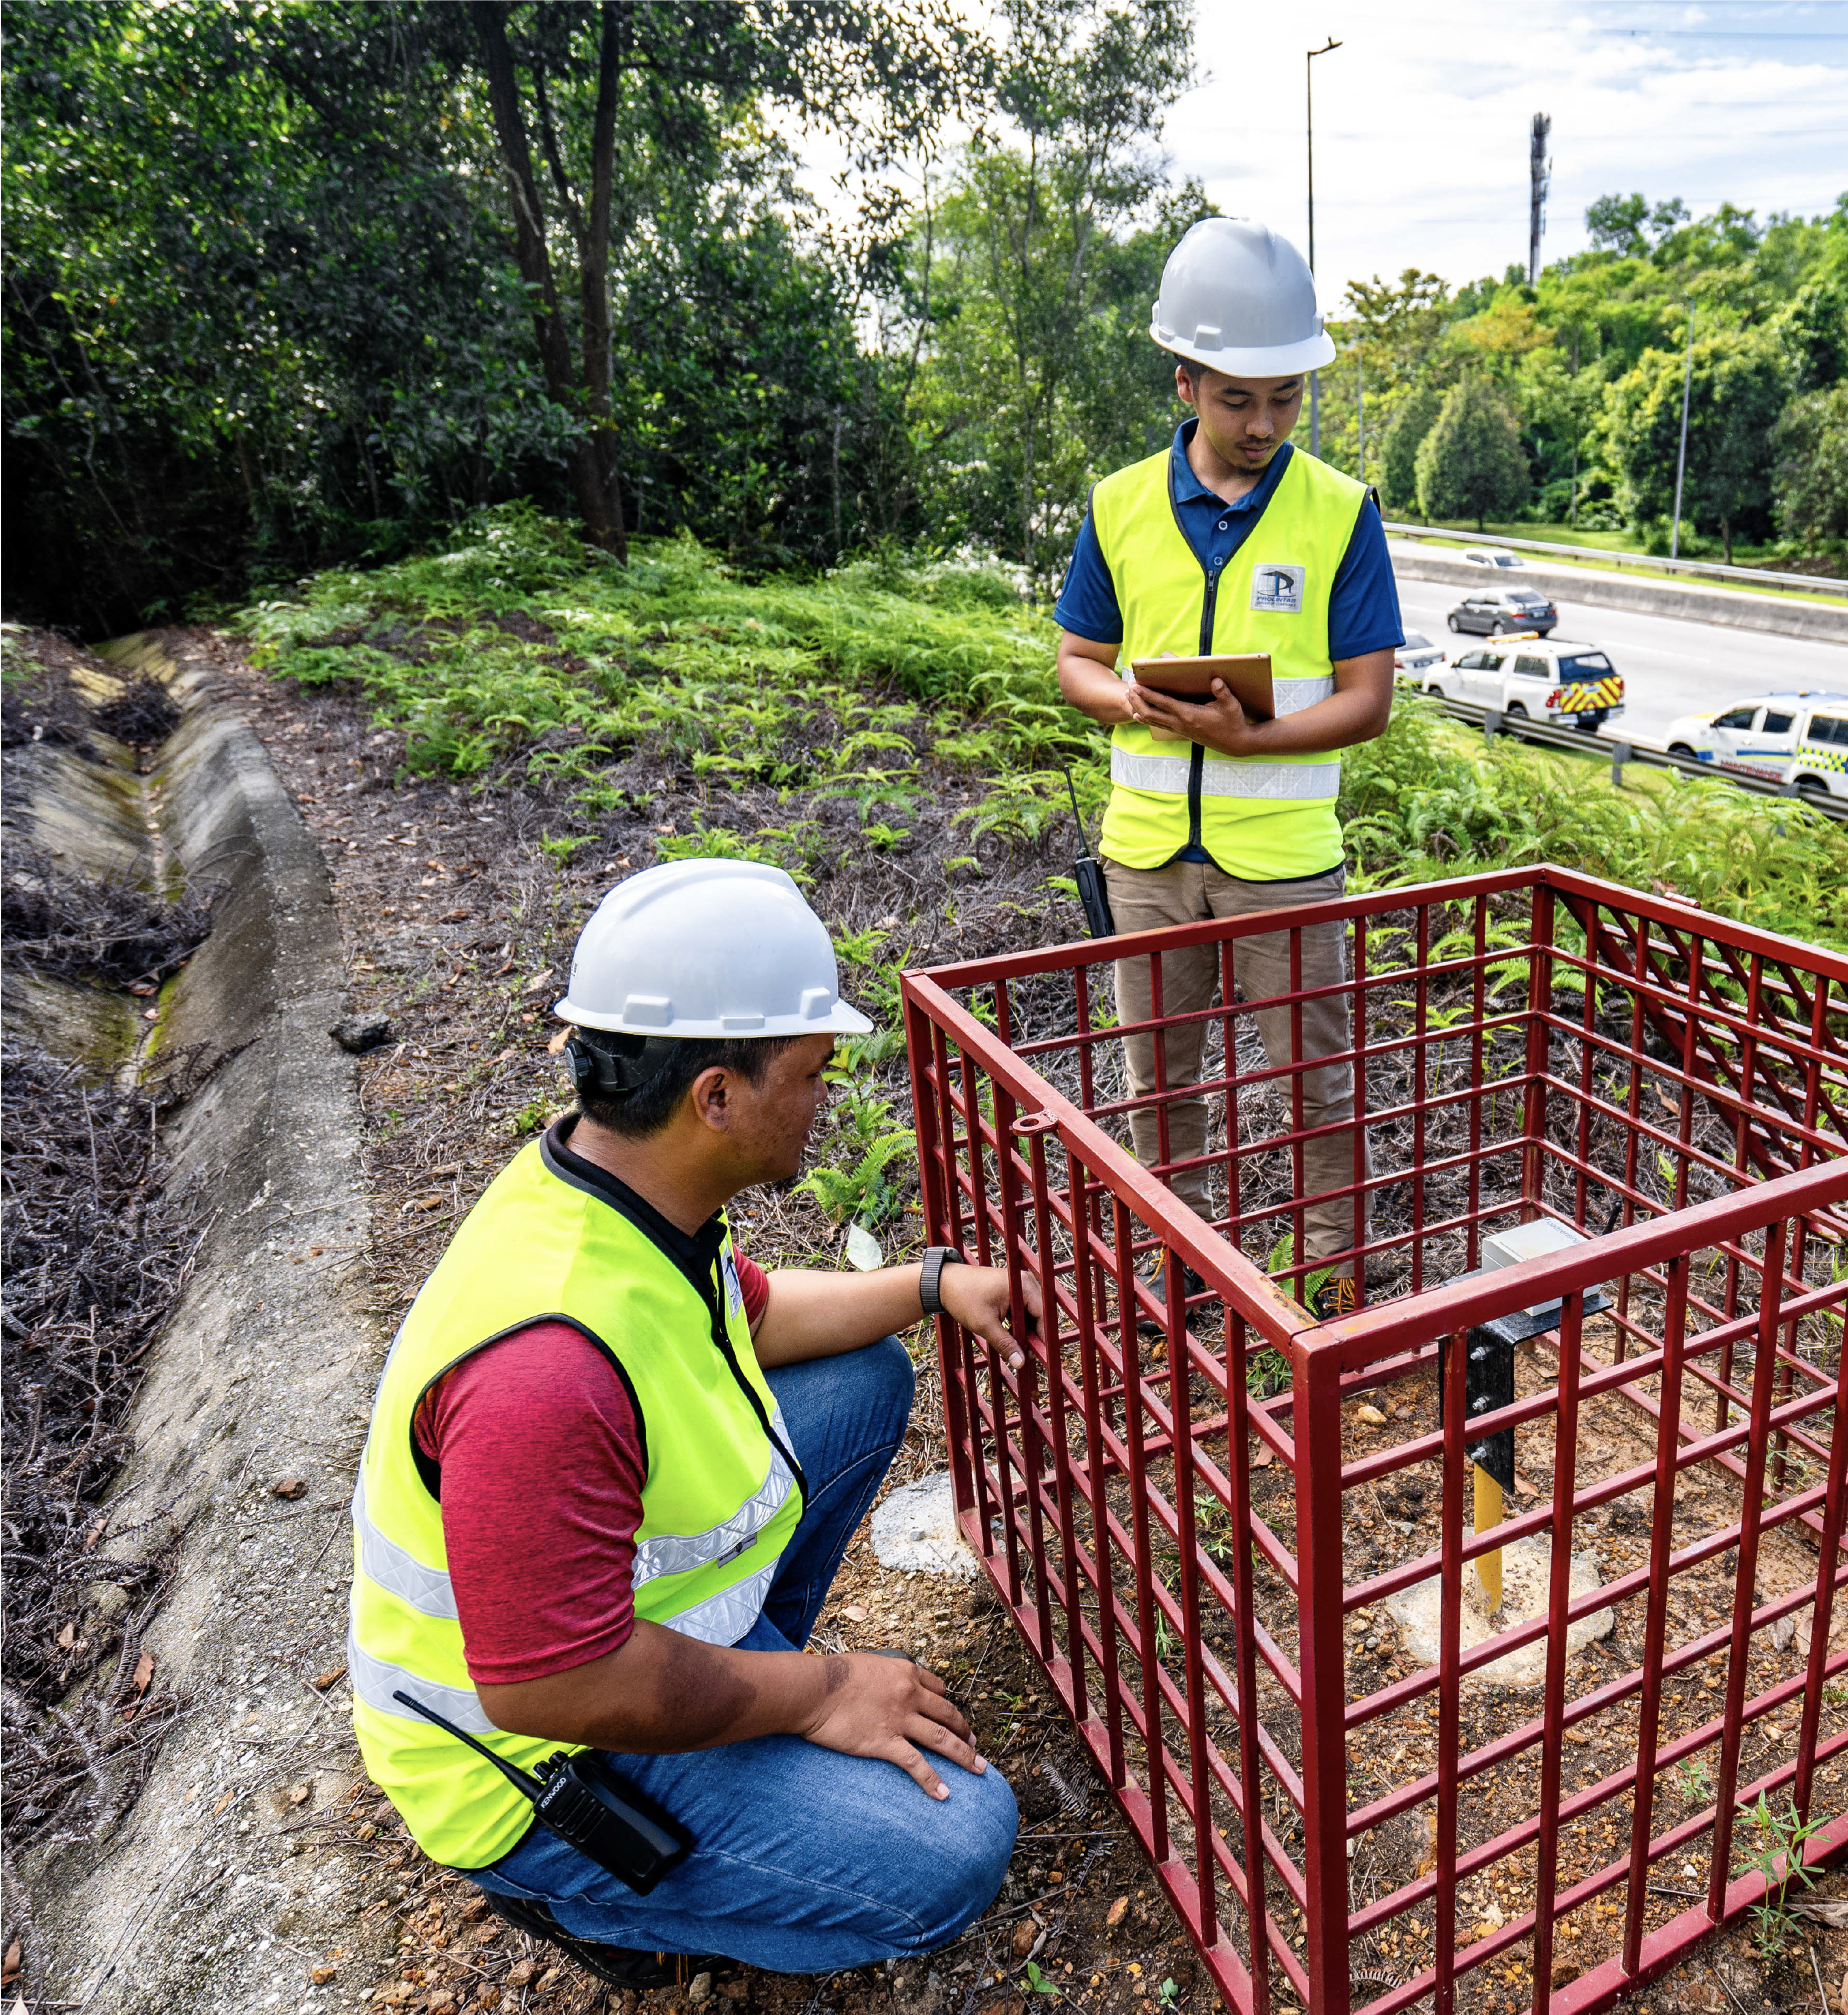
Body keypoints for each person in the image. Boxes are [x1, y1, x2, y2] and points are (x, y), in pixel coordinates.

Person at [346, 859, 1022, 1987]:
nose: (829, 1098)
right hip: (541, 1750)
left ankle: (739, 1685)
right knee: (956, 1846)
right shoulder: (544, 1374)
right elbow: (551, 1682)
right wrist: (824, 1691)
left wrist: (929, 1284)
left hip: (628, 1632)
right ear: (715, 1094)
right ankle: (593, 1900)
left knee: (860, 1375)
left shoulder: (616, 1190)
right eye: (812, 1074)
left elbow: (750, 1313)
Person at [1052, 216, 1404, 1320]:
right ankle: (1175, 1276)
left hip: (1284, 863)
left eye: (1286, 398)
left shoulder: (1340, 513)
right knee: (1161, 1088)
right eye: (1238, 397)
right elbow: (1075, 663)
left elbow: (1366, 698)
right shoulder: (1117, 506)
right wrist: (1130, 701)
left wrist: (1252, 743)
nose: (1264, 424)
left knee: (1315, 1084)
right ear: (1186, 382)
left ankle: (1334, 1293)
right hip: (1150, 857)